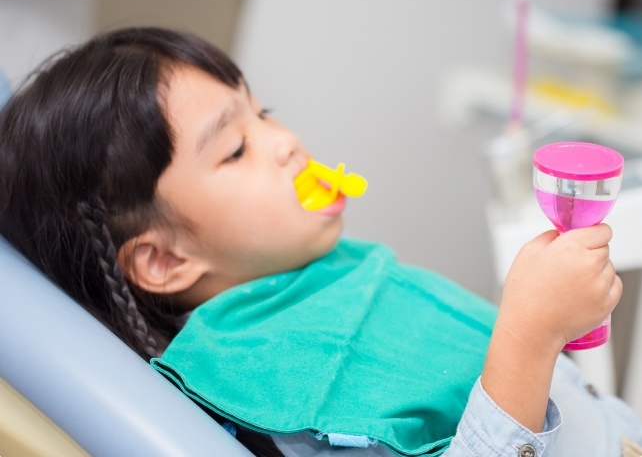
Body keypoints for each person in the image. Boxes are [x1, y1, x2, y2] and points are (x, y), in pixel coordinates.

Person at [0, 27, 640, 457]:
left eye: (265, 111)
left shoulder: (318, 277)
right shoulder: (286, 392)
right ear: (164, 258)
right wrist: (530, 336)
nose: (286, 143)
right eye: (236, 149)